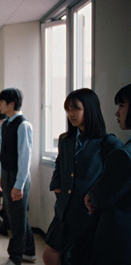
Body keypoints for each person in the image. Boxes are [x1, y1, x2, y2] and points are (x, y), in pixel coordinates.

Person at [42, 88, 122, 265]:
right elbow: (59, 165)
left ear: (90, 109)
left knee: (78, 258)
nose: (71, 113)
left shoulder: (108, 143)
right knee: (50, 254)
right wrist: (56, 183)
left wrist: (95, 194)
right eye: (68, 109)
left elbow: (116, 176)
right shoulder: (66, 140)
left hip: (88, 215)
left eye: (76, 108)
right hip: (64, 210)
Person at [84, 83, 131, 265]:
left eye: (121, 105)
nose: (117, 113)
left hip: (117, 236)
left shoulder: (123, 154)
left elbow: (100, 197)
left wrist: (90, 197)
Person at [0, 88, 36, 265]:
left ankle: (16, 257)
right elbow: (4, 153)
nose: (0, 106)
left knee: (17, 218)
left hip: (18, 176)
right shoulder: (6, 124)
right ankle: (28, 251)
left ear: (11, 104)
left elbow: (25, 157)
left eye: (2, 102)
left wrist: (19, 184)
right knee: (15, 215)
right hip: (6, 174)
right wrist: (1, 176)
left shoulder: (23, 125)